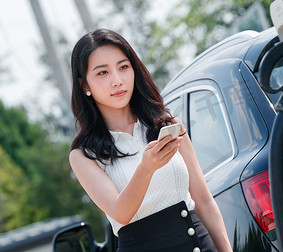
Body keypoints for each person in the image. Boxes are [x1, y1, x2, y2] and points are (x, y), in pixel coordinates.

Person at [69, 28, 232, 252]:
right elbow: (120, 213)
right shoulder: (83, 155)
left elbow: (203, 200)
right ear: (84, 85)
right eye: (102, 73)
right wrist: (146, 169)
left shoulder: (167, 125)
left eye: (123, 67)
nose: (117, 81)